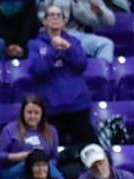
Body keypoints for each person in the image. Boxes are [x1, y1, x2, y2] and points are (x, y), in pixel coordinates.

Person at [28, 4, 96, 145]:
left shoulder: (73, 42)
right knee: (55, 150)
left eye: (59, 15)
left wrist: (68, 49)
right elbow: (38, 71)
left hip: (78, 105)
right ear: (44, 21)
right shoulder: (35, 45)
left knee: (87, 148)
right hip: (52, 108)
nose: (55, 18)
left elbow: (82, 65)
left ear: (65, 22)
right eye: (51, 15)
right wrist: (53, 51)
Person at [0, 93, 67, 179]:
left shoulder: (51, 131)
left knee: (44, 164)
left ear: (42, 114)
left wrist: (43, 168)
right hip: (14, 172)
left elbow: (54, 157)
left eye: (36, 113)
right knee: (32, 162)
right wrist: (22, 156)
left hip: (43, 173)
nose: (33, 116)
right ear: (22, 113)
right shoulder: (10, 130)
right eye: (29, 112)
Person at [36, 0, 116, 61]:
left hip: (78, 35)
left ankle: (100, 78)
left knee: (106, 44)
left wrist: (99, 12)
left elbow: (111, 21)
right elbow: (38, 13)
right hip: (52, 34)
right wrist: (53, 21)